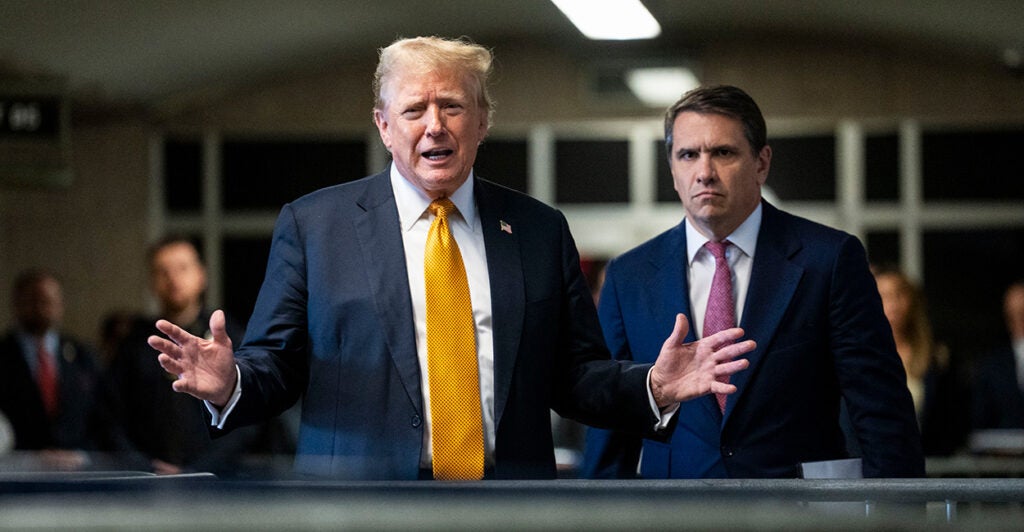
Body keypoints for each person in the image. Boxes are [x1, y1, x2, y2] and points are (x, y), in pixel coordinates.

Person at [147, 36, 754, 481]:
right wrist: (230, 384)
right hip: (360, 511)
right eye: (414, 110)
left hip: (508, 508)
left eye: (453, 107)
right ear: (385, 127)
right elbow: (277, 365)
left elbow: (574, 377)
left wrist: (652, 385)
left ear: (483, 121)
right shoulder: (315, 225)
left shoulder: (540, 231)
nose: (434, 126)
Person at [581, 85, 924, 479]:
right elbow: (611, 421)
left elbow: (881, 411)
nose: (704, 172)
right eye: (688, 155)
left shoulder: (829, 260)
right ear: (673, 170)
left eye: (723, 153)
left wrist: (898, 514)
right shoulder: (629, 275)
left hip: (799, 512)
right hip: (675, 511)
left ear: (762, 163)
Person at [104, 237, 292, 476]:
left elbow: (252, 418)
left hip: (221, 482)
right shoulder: (134, 344)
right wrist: (144, 468)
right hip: (148, 483)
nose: (173, 279)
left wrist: (200, 470)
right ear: (152, 282)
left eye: (182, 268)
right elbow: (111, 418)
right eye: (163, 271)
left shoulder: (229, 338)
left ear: (201, 275)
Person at [0, 269, 103, 468]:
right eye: (32, 300)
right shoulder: (3, 356)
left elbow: (102, 417)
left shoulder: (82, 355)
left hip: (78, 474)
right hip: (15, 475)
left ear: (60, 305)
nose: (39, 307)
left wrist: (83, 453)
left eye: (47, 300)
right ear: (17, 304)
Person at [872, 266, 965, 455]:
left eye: (900, 295)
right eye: (884, 296)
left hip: (931, 466)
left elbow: (953, 421)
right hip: (878, 464)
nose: (894, 305)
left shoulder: (938, 358)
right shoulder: (861, 356)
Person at [972, 280, 1024, 430]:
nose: (1019, 321)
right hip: (1005, 450)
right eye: (1013, 315)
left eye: (1022, 313)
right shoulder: (992, 367)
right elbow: (980, 423)